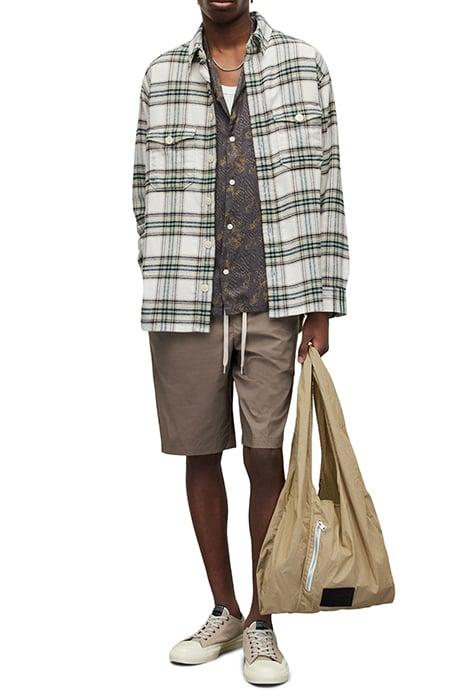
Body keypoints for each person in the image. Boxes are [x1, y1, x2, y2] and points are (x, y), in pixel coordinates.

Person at [132, 0, 349, 685]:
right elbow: (141, 191)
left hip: (275, 298)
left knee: (264, 456)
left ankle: (263, 622)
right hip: (185, 299)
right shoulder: (161, 75)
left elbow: (327, 187)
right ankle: (224, 608)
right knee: (199, 452)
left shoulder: (304, 64)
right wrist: (160, 270)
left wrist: (321, 305)